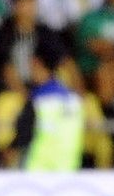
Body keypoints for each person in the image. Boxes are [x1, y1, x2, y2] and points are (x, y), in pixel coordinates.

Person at [10, 38, 84, 172]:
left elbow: (21, 141)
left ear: (35, 62)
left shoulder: (38, 102)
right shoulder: (74, 101)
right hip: (68, 175)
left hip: (37, 177)